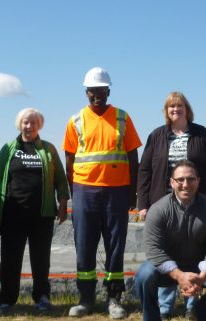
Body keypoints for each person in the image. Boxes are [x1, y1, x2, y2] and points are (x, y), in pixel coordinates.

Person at [63, 67, 142, 319]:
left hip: (117, 192)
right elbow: (69, 160)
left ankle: (114, 299)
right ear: (86, 92)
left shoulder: (122, 117)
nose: (97, 94)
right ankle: (85, 299)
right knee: (84, 246)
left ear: (108, 91)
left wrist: (133, 192)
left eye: (101, 90)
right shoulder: (75, 120)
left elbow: (133, 156)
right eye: (92, 91)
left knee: (115, 247)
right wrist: (74, 192)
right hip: (85, 191)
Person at [136, 91, 206, 319]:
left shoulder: (201, 134)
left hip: (196, 204)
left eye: (179, 106)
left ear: (187, 109)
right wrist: (142, 203)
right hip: (163, 204)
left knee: (194, 251)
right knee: (165, 251)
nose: (175, 110)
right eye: (171, 107)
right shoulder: (157, 135)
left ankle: (192, 303)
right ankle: (165, 306)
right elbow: (145, 169)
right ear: (166, 111)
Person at [0, 108, 70, 314]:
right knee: (10, 259)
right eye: (26, 122)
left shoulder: (48, 149)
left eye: (33, 123)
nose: (29, 126)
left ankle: (42, 297)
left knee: (41, 259)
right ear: (19, 124)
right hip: (13, 214)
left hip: (42, 215)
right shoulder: (8, 148)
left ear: (39, 125)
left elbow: (61, 178)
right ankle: (7, 298)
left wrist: (62, 204)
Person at [134, 160, 206, 321]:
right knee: (144, 275)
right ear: (172, 183)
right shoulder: (158, 209)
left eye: (191, 179)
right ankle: (152, 318)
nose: (185, 184)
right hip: (167, 270)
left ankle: (199, 314)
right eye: (180, 180)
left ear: (199, 181)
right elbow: (154, 250)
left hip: (200, 270)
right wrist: (180, 276)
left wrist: (201, 278)